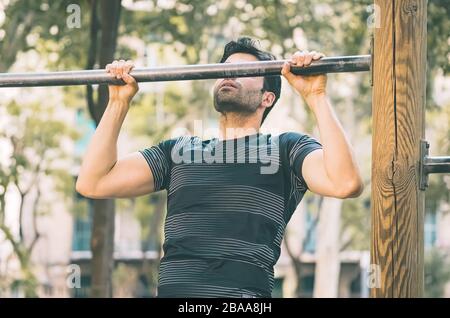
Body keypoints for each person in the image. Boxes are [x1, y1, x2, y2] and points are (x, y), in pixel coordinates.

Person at [76, 37, 363, 298]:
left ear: (267, 97)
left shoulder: (287, 150)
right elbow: (93, 182)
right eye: (224, 69)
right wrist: (117, 103)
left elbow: (345, 183)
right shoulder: (178, 152)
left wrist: (316, 97)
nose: (229, 74)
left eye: (245, 71)